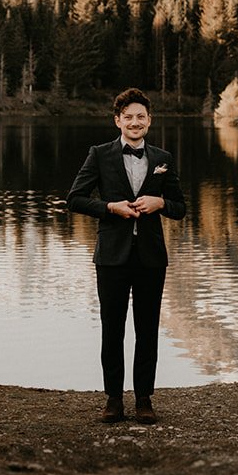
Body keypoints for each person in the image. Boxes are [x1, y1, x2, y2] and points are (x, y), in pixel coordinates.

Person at [66, 87, 186, 425]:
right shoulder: (99, 154)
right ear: (117, 120)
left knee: (147, 330)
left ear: (149, 121)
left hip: (151, 258)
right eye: (128, 117)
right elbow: (74, 199)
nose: (135, 122)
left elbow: (180, 207)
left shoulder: (163, 158)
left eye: (141, 117)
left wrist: (160, 203)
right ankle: (114, 399)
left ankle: (144, 400)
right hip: (111, 257)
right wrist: (109, 207)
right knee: (112, 329)